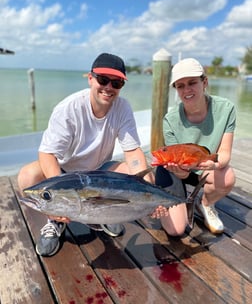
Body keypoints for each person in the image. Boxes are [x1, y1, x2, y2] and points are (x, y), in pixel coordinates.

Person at [18, 52, 154, 257]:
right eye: (103, 79)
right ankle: (55, 220)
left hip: (100, 170)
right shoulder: (68, 109)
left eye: (116, 83)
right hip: (66, 171)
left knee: (130, 172)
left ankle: (107, 216)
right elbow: (47, 153)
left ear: (121, 86)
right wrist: (59, 196)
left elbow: (133, 152)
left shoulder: (123, 107)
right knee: (28, 176)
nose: (109, 87)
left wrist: (148, 187)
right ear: (90, 78)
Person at [153, 58, 236, 236]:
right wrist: (180, 171)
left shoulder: (226, 108)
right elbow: (179, 168)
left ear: (204, 82)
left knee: (227, 177)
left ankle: (204, 203)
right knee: (175, 230)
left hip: (203, 167)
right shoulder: (170, 119)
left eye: (192, 83)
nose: (186, 90)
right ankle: (174, 193)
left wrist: (214, 164)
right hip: (177, 171)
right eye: (180, 86)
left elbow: (224, 153)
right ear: (176, 90)